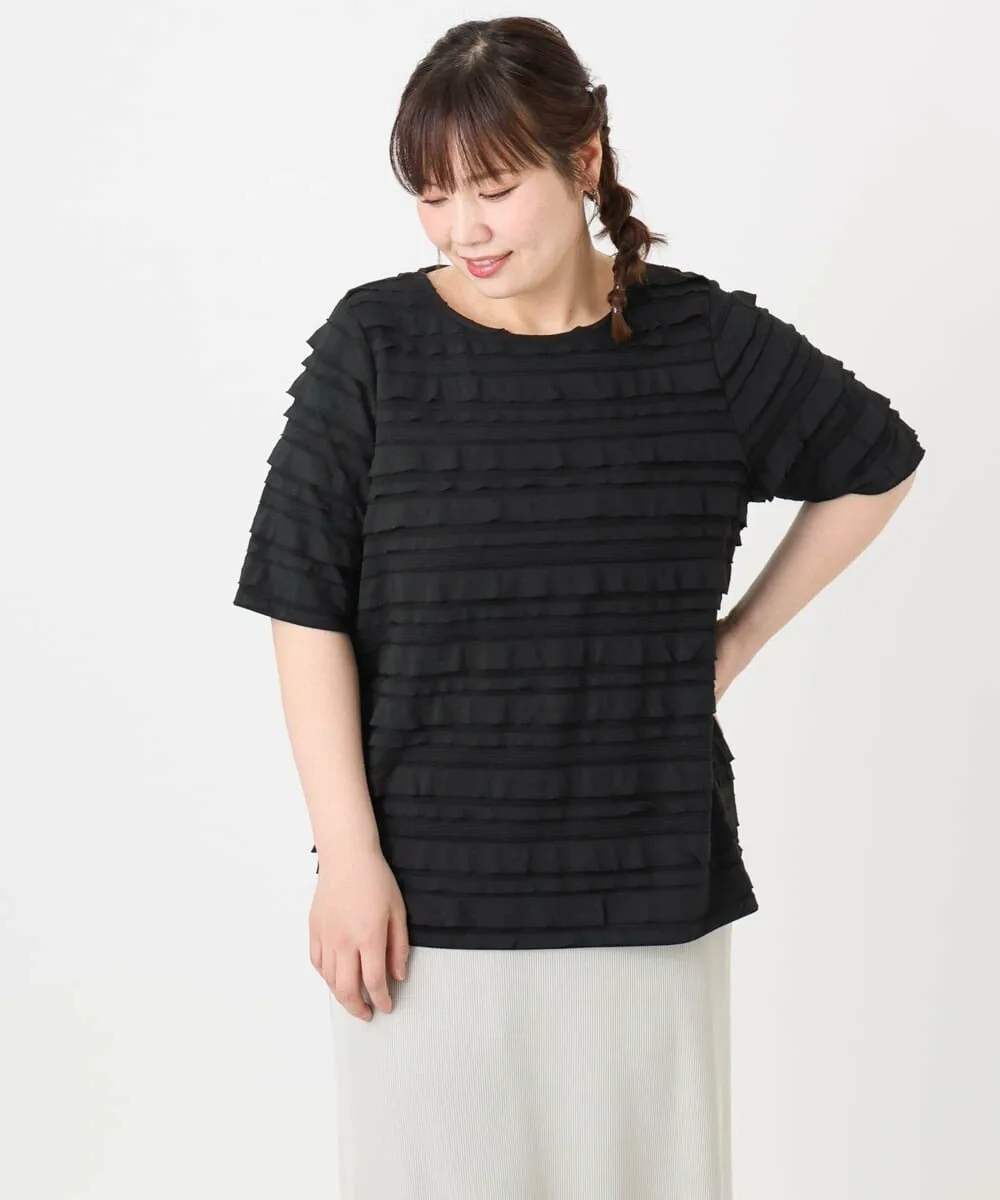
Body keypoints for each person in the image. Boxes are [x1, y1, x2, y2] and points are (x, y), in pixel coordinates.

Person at [232, 16, 926, 1200]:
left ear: (584, 160)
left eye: (493, 189)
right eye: (432, 196)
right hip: (421, 897)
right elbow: (306, 610)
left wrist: (733, 645)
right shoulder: (374, 347)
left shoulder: (704, 343)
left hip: (646, 883)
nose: (462, 229)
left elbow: (878, 461)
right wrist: (346, 858)